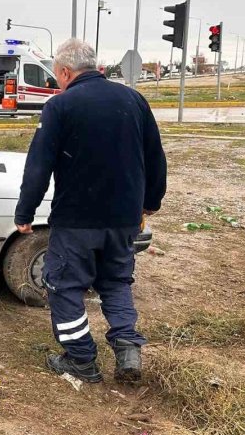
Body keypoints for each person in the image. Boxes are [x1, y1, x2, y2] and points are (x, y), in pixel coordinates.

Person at [15, 39, 167, 384]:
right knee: (115, 282)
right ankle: (128, 348)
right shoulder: (133, 99)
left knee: (65, 286)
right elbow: (156, 156)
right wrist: (150, 203)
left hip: (77, 219)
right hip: (124, 218)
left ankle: (81, 359)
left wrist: (25, 213)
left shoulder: (60, 106)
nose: (58, 83)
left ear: (66, 72)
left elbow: (38, 165)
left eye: (57, 77)